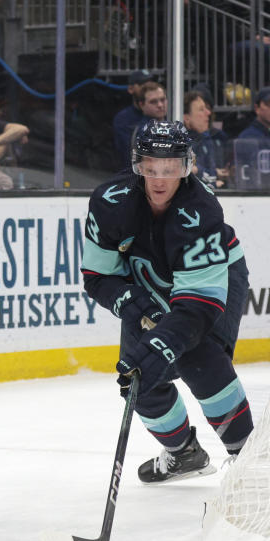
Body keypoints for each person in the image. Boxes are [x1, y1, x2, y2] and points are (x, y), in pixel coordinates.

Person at [82, 120, 252, 484]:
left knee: (198, 357)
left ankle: (250, 460)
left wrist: (166, 343)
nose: (160, 180)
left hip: (216, 277)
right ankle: (184, 453)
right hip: (147, 283)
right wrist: (126, 300)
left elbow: (197, 307)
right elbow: (98, 277)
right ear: (136, 165)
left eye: (171, 168)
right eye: (150, 168)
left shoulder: (201, 210)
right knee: (138, 380)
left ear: (186, 166)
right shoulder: (110, 202)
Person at [114, 81, 168, 170]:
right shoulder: (143, 131)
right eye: (153, 102)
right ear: (142, 105)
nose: (160, 105)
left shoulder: (172, 125)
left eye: (162, 99)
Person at [182, 90, 226, 188]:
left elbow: (207, 172)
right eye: (201, 109)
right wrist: (213, 182)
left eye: (206, 108)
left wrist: (215, 173)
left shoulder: (206, 139)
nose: (208, 113)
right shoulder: (182, 146)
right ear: (187, 118)